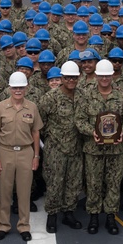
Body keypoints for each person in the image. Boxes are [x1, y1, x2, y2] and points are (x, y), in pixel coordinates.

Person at [74, 60, 123, 235]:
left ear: (113, 76)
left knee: (114, 183)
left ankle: (110, 216)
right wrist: (92, 132)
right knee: (93, 183)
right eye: (102, 76)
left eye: (108, 75)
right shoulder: (87, 96)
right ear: (97, 76)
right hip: (94, 148)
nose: (105, 79)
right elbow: (79, 120)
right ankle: (93, 216)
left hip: (116, 149)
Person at [0, 72, 43, 241]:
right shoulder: (0, 107)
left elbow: (36, 132)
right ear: (10, 89)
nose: (18, 90)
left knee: (24, 191)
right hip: (5, 151)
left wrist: (36, 156)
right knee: (4, 191)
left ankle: (23, 226)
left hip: (25, 152)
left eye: (21, 87)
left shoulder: (32, 107)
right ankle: (3, 225)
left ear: (26, 88)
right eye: (15, 88)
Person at [37, 61, 85, 233]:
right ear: (62, 78)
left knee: (74, 182)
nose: (71, 80)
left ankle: (69, 213)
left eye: (74, 77)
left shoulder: (82, 95)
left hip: (76, 147)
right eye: (67, 77)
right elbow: (39, 123)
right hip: (55, 148)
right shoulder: (50, 98)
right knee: (54, 182)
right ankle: (52, 214)